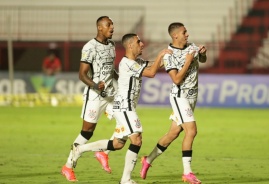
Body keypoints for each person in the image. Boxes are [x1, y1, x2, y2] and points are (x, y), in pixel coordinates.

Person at [70, 33, 172, 184]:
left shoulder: (136, 61)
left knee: (118, 144)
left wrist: (171, 54)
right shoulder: (126, 63)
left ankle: (80, 149)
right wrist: (160, 55)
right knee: (136, 140)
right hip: (125, 107)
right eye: (139, 42)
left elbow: (152, 65)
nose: (142, 44)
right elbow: (151, 73)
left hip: (125, 107)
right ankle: (126, 180)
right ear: (130, 45)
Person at [140, 22, 207, 184]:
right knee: (191, 131)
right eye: (184, 32)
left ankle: (147, 160)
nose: (187, 34)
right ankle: (187, 173)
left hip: (192, 98)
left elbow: (203, 60)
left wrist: (203, 54)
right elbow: (176, 79)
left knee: (173, 134)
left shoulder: (191, 47)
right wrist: (188, 61)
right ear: (175, 35)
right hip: (179, 97)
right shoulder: (169, 55)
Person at [61, 16, 118, 181]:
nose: (112, 28)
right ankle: (68, 166)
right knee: (87, 132)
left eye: (112, 25)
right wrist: (95, 85)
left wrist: (120, 77)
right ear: (100, 27)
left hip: (110, 95)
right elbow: (82, 74)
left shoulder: (112, 45)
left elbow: (110, 70)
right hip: (95, 96)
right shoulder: (90, 47)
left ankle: (103, 153)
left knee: (127, 123)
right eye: (109, 25)